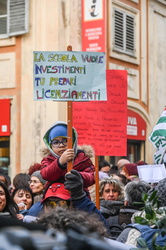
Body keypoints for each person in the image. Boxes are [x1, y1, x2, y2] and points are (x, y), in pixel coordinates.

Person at [40, 121, 95, 197]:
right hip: (54, 196)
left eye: (65, 141)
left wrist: (78, 176)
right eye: (56, 142)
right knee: (35, 209)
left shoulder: (82, 158)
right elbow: (46, 175)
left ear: (73, 142)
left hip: (77, 196)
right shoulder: (48, 159)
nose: (61, 145)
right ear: (50, 146)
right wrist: (60, 162)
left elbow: (91, 177)